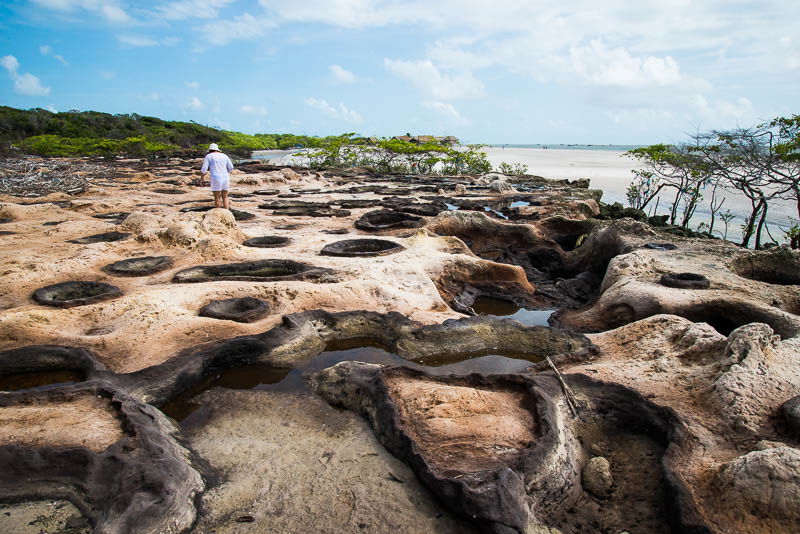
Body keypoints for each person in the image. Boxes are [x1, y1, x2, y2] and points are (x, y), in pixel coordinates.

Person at [200, 143, 234, 209]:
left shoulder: (209, 156)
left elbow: (204, 169)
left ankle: (219, 213)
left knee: (217, 197)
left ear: (210, 150)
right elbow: (231, 167)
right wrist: (225, 172)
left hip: (216, 177)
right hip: (225, 177)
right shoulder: (224, 155)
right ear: (217, 150)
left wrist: (202, 179)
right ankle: (227, 213)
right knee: (225, 197)